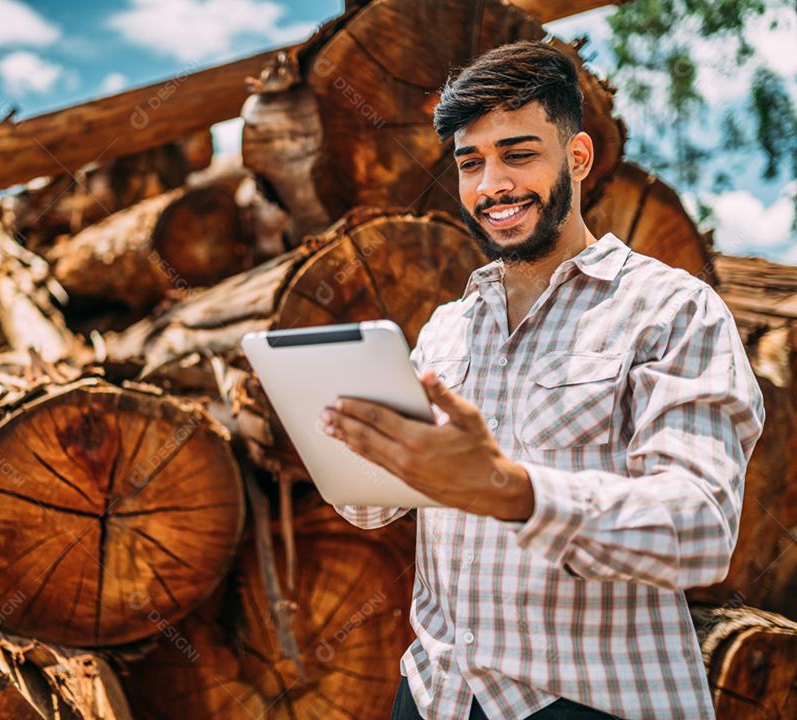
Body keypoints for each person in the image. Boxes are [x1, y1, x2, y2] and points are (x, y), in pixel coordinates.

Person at [319, 40, 765, 720]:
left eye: (518, 154)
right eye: (472, 163)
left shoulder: (672, 309)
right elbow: (374, 508)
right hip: (437, 694)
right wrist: (346, 443)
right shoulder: (447, 328)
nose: (491, 184)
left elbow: (698, 528)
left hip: (590, 701)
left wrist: (512, 490)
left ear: (578, 158)